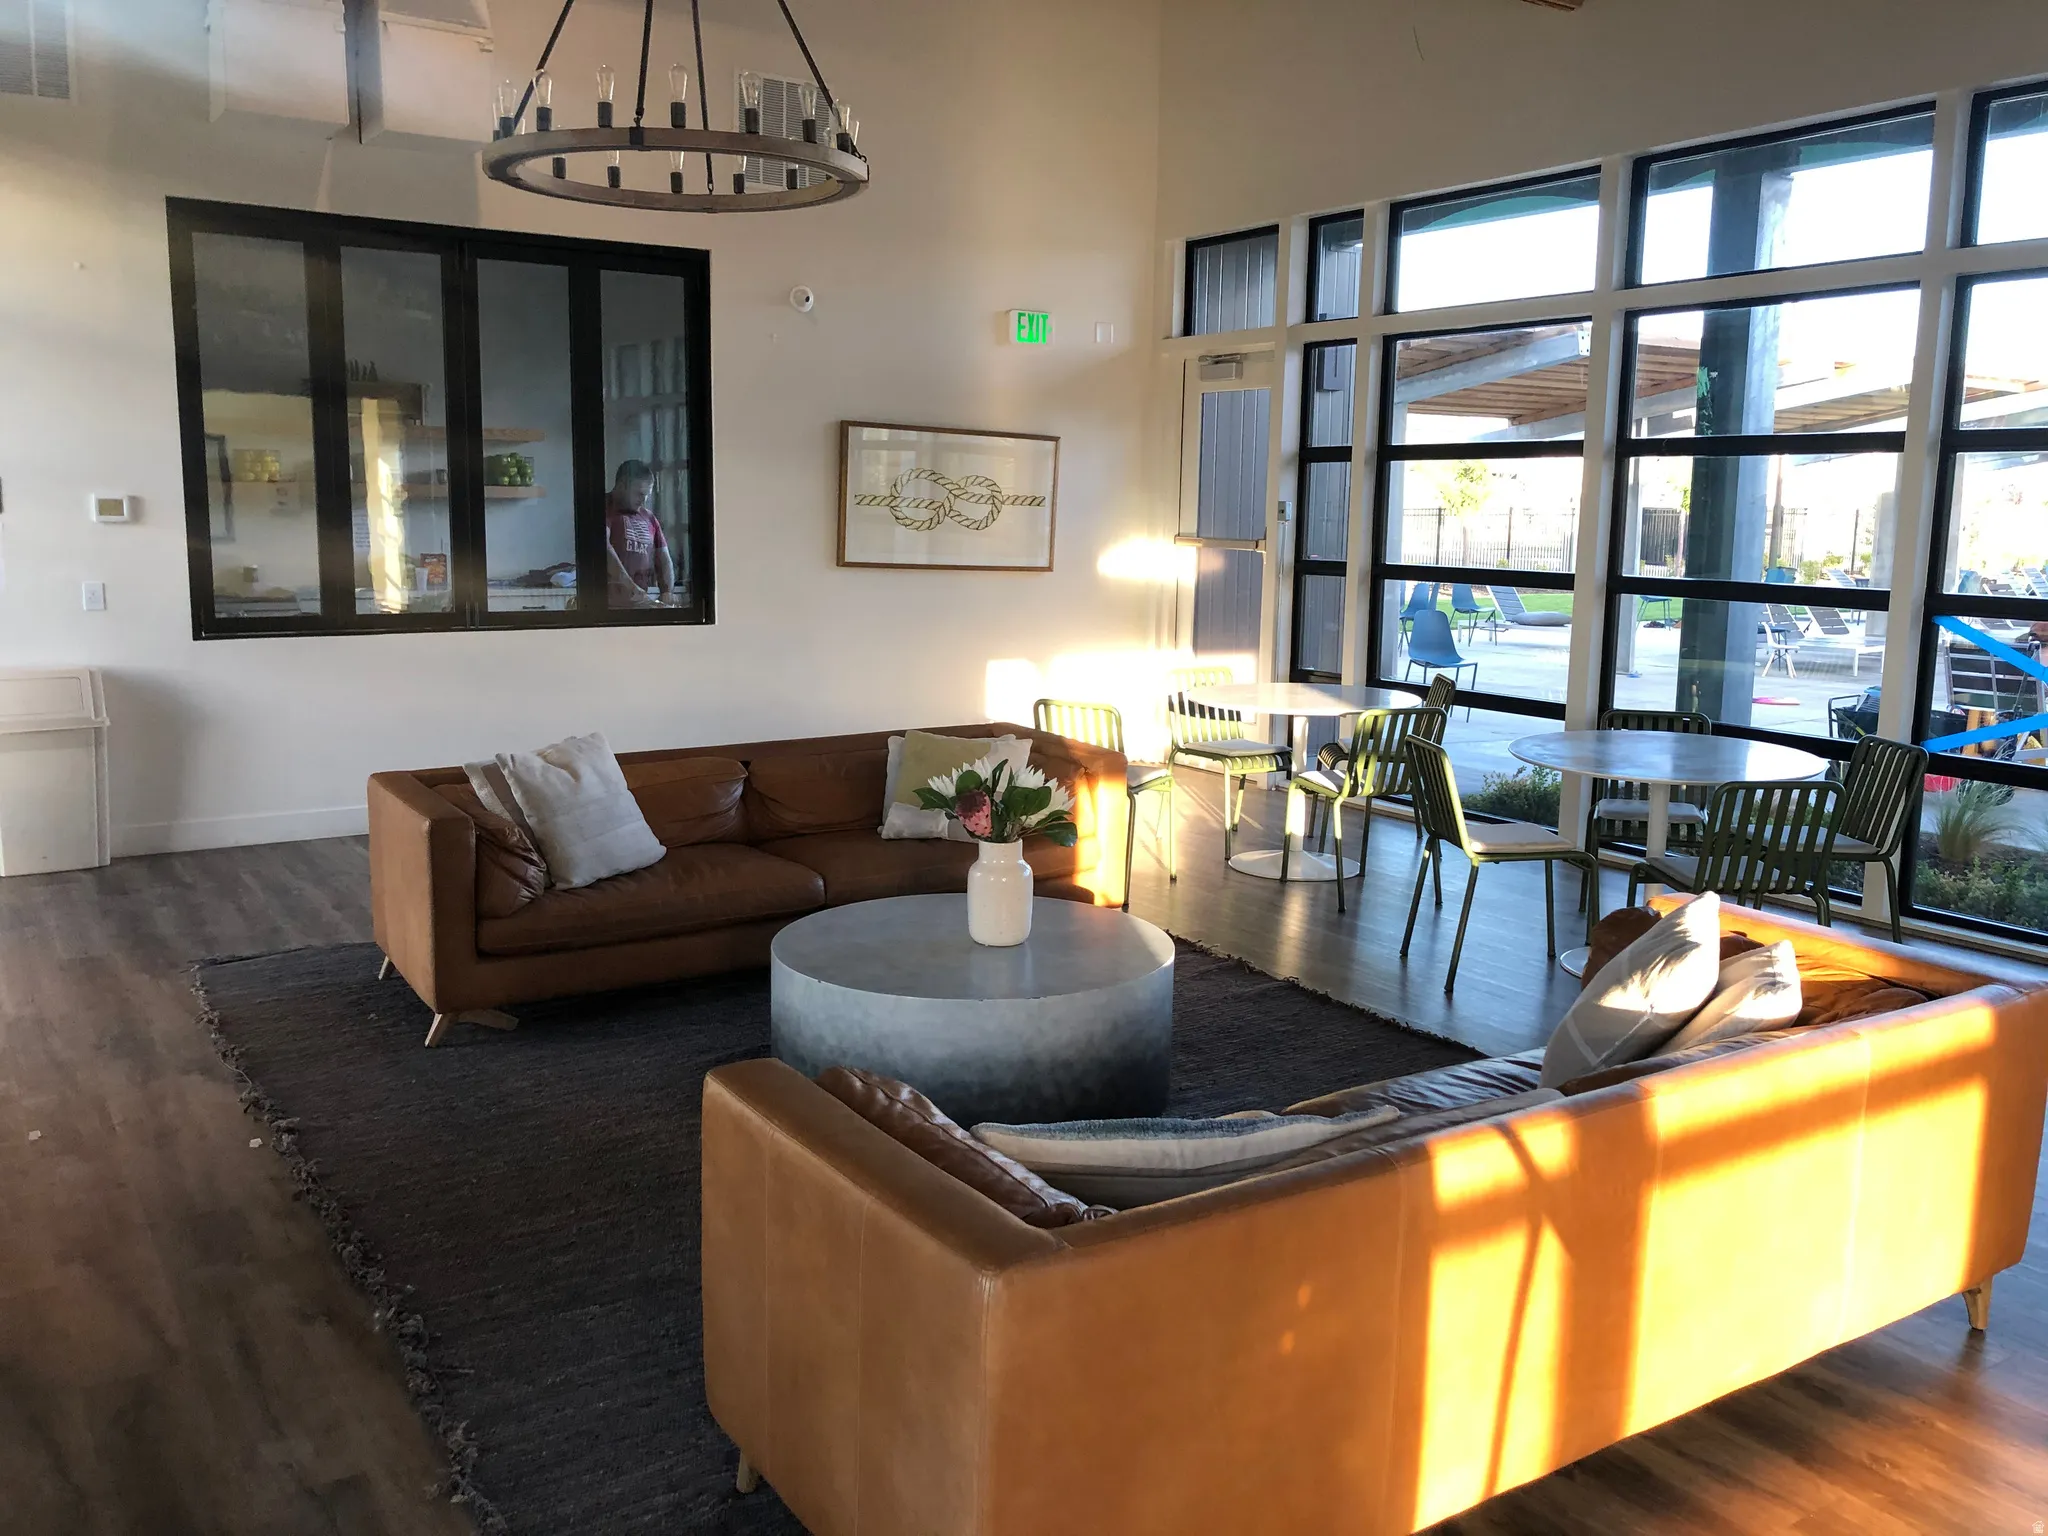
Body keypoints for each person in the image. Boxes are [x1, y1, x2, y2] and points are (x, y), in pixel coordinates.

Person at [604, 460, 677, 608]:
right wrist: (630, 587)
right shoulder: (603, 507)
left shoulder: (649, 517)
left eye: (647, 495)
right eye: (639, 494)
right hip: (608, 605)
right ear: (622, 485)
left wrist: (667, 592)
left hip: (638, 603)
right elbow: (603, 549)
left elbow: (663, 558)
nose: (644, 500)